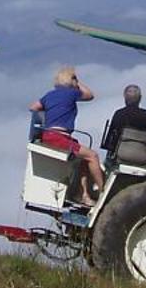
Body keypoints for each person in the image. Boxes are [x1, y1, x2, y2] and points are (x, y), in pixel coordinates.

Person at [32, 66, 103, 197]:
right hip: (59, 137)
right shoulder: (71, 93)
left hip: (48, 134)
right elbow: (90, 95)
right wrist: (77, 82)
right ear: (71, 80)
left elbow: (34, 107)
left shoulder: (50, 95)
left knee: (84, 159)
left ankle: (84, 194)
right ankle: (102, 191)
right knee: (93, 156)